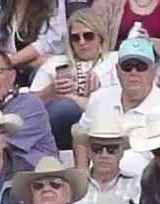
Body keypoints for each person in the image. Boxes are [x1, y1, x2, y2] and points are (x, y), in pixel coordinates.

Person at [79, 30, 160, 182]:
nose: (134, 72)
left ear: (154, 71)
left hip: (143, 189)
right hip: (97, 185)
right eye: (127, 66)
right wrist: (81, 172)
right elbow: (80, 136)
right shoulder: (99, 98)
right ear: (117, 71)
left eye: (141, 66)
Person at [32, 8, 118, 148]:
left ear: (100, 37)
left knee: (64, 107)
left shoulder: (115, 61)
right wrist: (51, 91)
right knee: (62, 108)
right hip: (58, 130)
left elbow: (129, 99)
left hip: (104, 127)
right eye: (75, 38)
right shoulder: (55, 63)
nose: (82, 42)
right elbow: (27, 104)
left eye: (88, 36)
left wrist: (93, 97)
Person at [70, 112, 143, 204]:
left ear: (121, 153)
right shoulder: (74, 189)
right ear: (90, 152)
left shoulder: (137, 185)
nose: (104, 155)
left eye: (112, 149)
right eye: (97, 148)